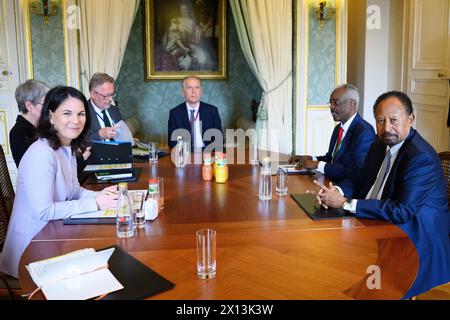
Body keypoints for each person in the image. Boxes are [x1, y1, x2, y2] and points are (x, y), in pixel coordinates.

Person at [312, 91, 450, 299]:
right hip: (378, 221)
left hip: (415, 236)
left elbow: (402, 211)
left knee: (363, 282)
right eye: (380, 120)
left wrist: (347, 203)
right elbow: (361, 179)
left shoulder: (420, 158)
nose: (387, 128)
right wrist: (336, 192)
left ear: (411, 119)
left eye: (394, 120)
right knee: (325, 253)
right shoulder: (379, 144)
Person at [0, 86, 118, 278]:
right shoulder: (41, 153)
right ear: (51, 116)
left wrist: (103, 196)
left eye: (81, 114)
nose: (76, 120)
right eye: (67, 113)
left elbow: (73, 190)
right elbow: (44, 211)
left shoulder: (65, 147)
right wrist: (95, 203)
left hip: (54, 234)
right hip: (32, 247)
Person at [290, 84, 375, 183]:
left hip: (346, 191)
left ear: (352, 104)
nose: (331, 107)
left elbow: (355, 172)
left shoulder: (364, 132)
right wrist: (311, 158)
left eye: (335, 102)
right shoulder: (338, 128)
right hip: (329, 182)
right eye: (330, 103)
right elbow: (331, 159)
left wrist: (317, 164)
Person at [168, 76, 223, 150]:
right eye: (189, 88)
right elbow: (172, 142)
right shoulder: (175, 113)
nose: (194, 91)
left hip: (208, 153)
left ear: (201, 91)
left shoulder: (212, 111)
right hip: (185, 154)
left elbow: (219, 139)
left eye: (197, 87)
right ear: (183, 92)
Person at [9, 79, 50, 167]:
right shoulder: (18, 132)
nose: (49, 108)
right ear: (29, 106)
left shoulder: (38, 126)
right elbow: (36, 166)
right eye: (45, 104)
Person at [161, 2, 212, 71]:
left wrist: (208, 24)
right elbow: (172, 34)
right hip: (175, 45)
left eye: (185, 9)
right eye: (181, 9)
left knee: (202, 55)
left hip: (188, 44)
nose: (183, 11)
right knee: (186, 58)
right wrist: (183, 47)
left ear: (189, 10)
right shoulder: (176, 20)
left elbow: (199, 34)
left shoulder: (193, 22)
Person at [86, 73, 123, 142]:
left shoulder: (114, 110)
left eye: (112, 94)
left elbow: (121, 133)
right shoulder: (83, 113)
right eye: (106, 96)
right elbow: (78, 141)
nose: (110, 99)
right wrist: (99, 135)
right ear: (93, 94)